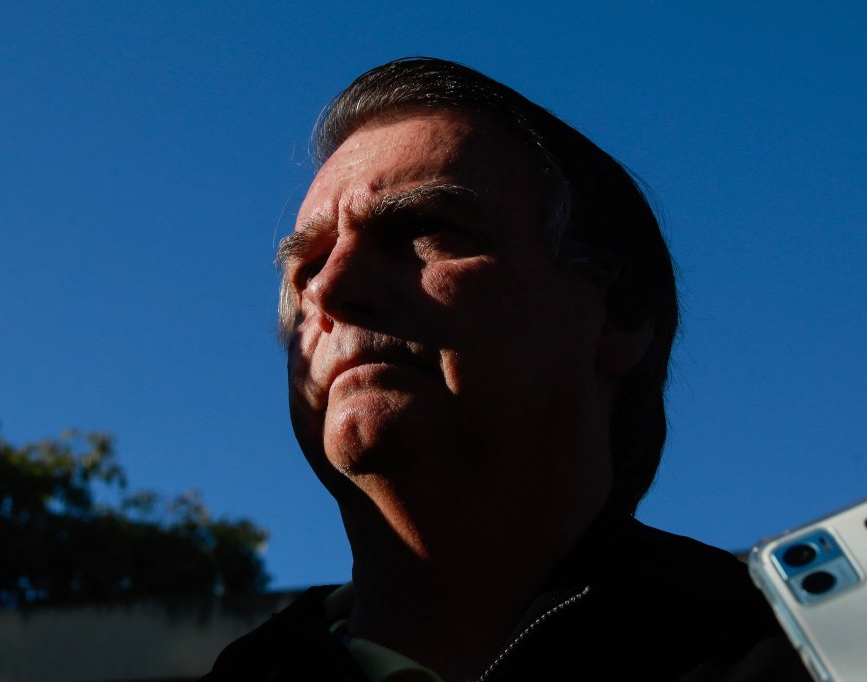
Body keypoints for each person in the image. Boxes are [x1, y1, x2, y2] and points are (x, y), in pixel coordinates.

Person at [203, 58, 808, 681]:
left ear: (619, 317)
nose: (332, 288)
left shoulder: (807, 649)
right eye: (307, 267)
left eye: (425, 229)